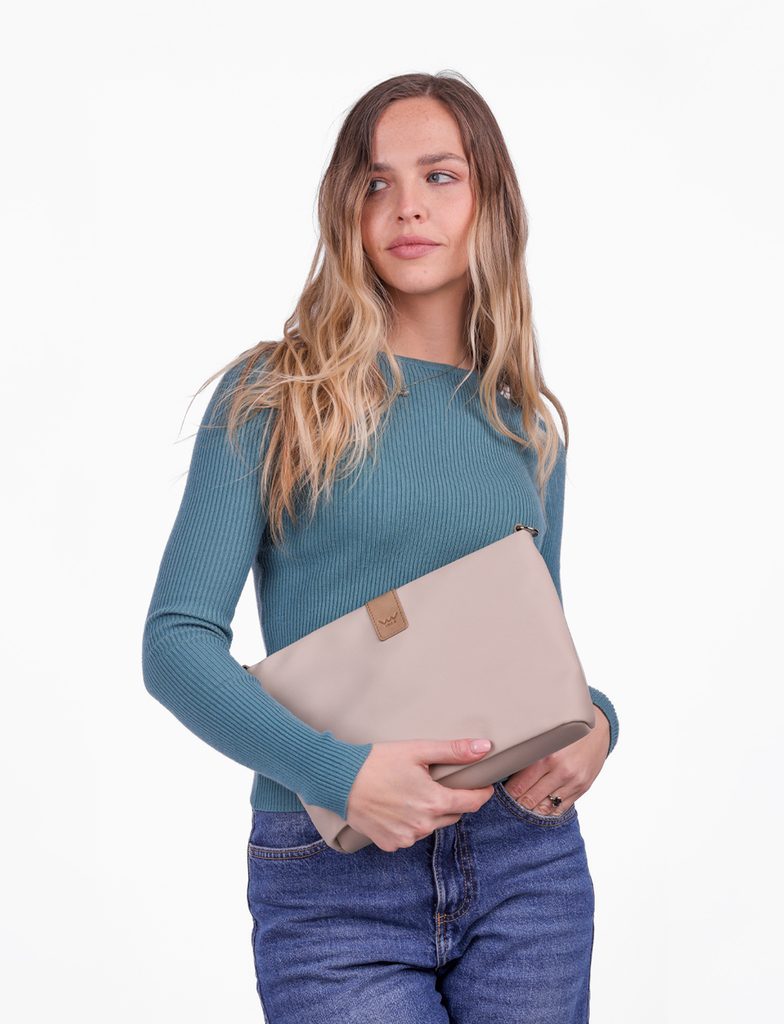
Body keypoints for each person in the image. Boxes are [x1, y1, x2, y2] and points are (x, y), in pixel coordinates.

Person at [142, 70, 620, 1023]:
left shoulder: (528, 425)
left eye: (440, 176)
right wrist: (341, 776)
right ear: (345, 210)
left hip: (525, 863)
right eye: (375, 182)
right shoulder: (275, 395)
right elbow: (174, 643)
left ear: (490, 200)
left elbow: (537, 648)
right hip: (333, 878)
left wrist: (600, 722)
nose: (407, 206)